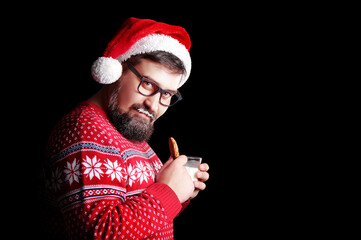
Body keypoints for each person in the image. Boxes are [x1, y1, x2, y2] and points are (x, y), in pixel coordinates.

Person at [41, 17, 209, 240]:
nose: (154, 104)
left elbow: (145, 222)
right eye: (148, 84)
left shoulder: (125, 126)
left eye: (166, 94)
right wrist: (169, 192)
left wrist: (180, 191)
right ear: (117, 69)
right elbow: (98, 234)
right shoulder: (83, 131)